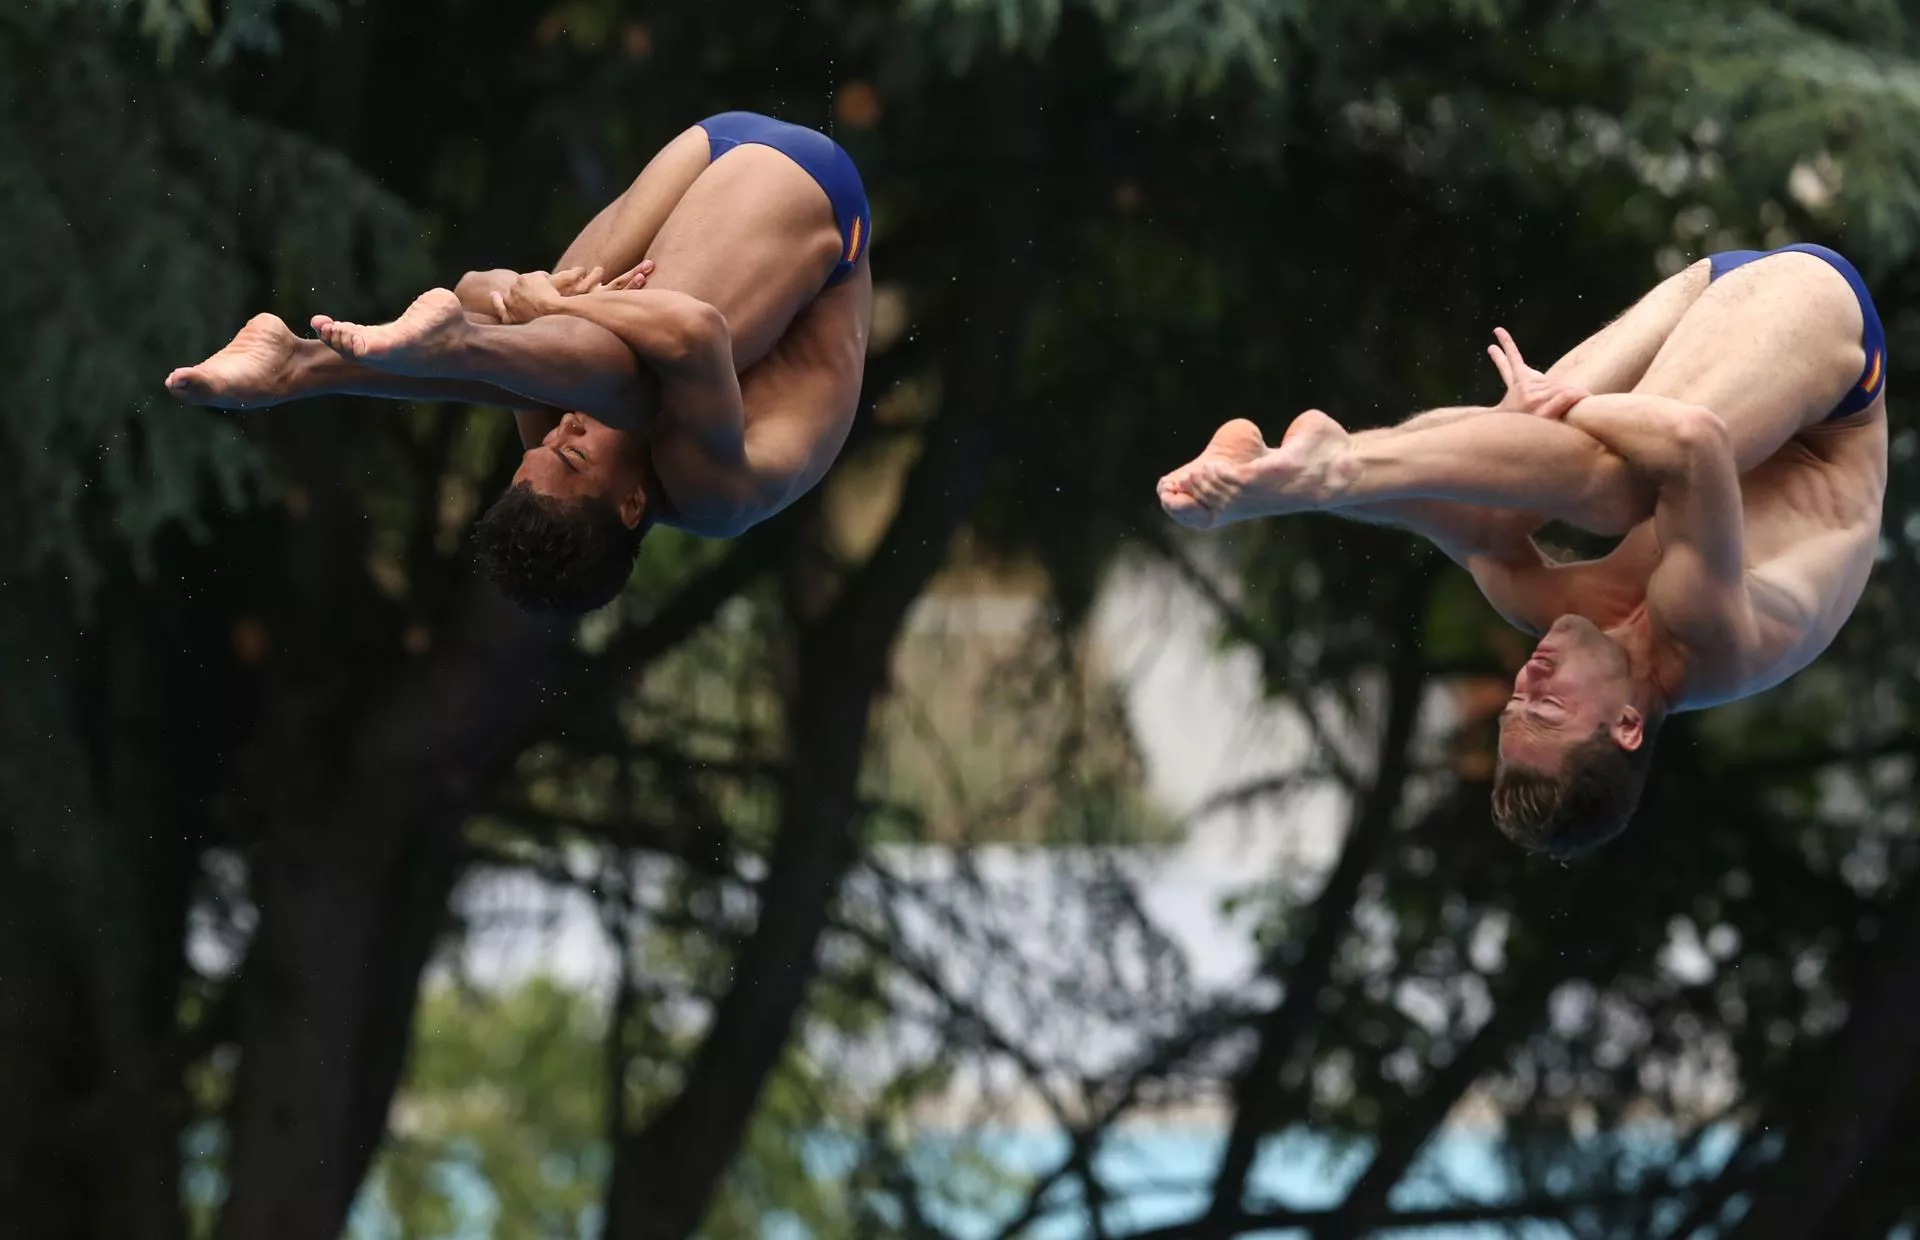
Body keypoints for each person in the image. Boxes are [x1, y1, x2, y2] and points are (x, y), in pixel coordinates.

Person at [1158, 244, 1889, 857]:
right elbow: (1693, 441)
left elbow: (1457, 524)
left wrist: (1305, 494)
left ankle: (1296, 470)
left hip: (1711, 291)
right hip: (1821, 329)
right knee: (1619, 485)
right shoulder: (1711, 633)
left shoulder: (1557, 619)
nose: (1526, 679)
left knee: (1492, 510)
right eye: (1547, 709)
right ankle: (1331, 468)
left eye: (1514, 705)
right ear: (1627, 725)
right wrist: (1562, 402)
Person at [166, 111, 874, 614]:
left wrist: (528, 304)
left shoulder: (564, 426)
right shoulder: (715, 496)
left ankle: (296, 367)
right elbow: (693, 332)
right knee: (627, 381)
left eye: (537, 454)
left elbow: (477, 289)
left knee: (565, 369)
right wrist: (541, 308)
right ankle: (319, 371)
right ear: (631, 506)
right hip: (806, 191)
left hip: (707, 148)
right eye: (569, 460)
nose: (555, 436)